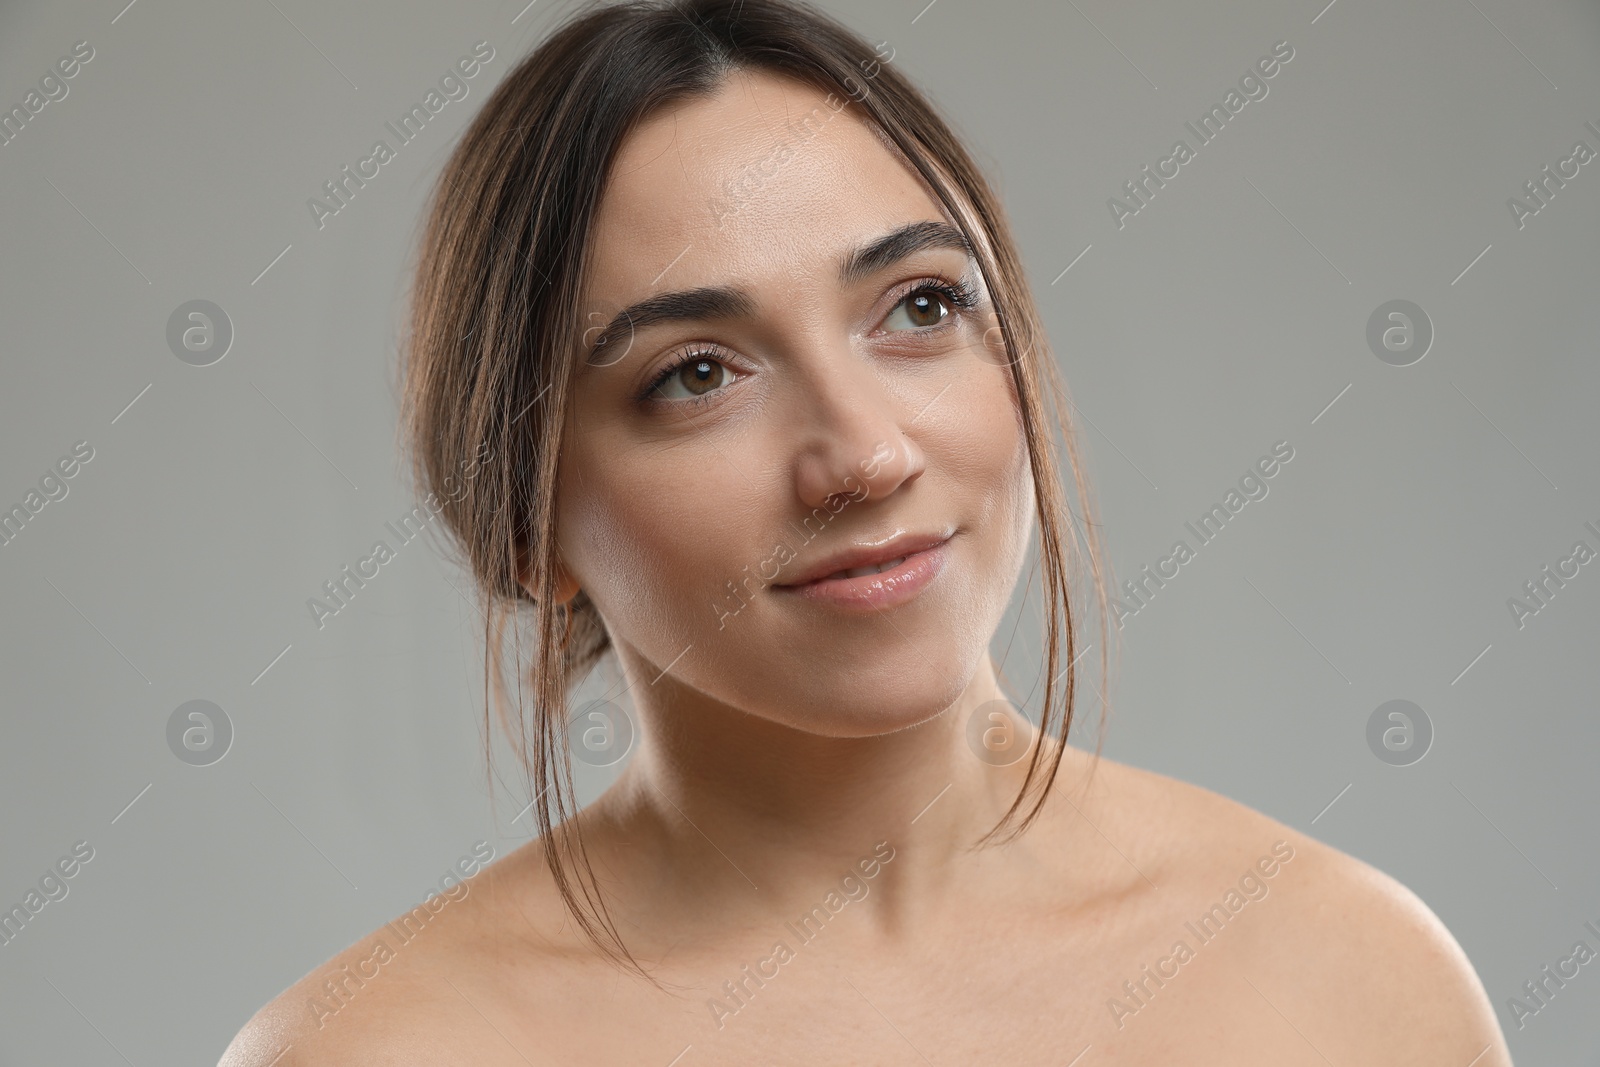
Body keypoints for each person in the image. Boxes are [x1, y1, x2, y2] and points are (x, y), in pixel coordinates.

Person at [221, 1, 1510, 1062]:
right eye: (697, 374)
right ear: (519, 519)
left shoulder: (1348, 987)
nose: (867, 455)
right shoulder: (376, 1048)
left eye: (919, 307)